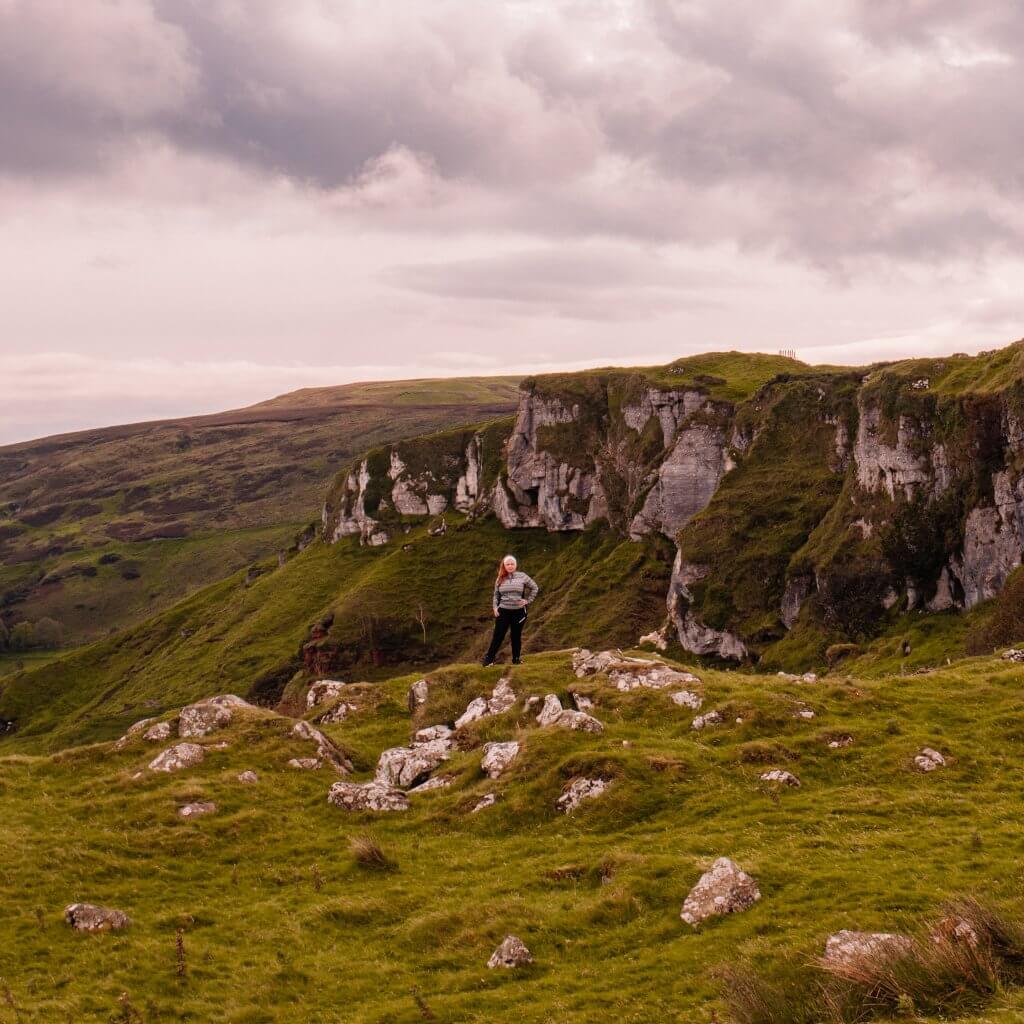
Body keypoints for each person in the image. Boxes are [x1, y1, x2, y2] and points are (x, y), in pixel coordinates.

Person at [482, 554, 538, 666]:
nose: (510, 566)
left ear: (515, 565)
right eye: (508, 564)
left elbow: (535, 587)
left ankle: (516, 659)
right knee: (498, 635)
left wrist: (527, 600)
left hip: (519, 612)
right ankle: (489, 660)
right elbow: (496, 595)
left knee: (516, 635)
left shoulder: (522, 576)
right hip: (503, 611)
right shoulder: (500, 578)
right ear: (504, 565)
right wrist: (494, 607)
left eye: (512, 564)